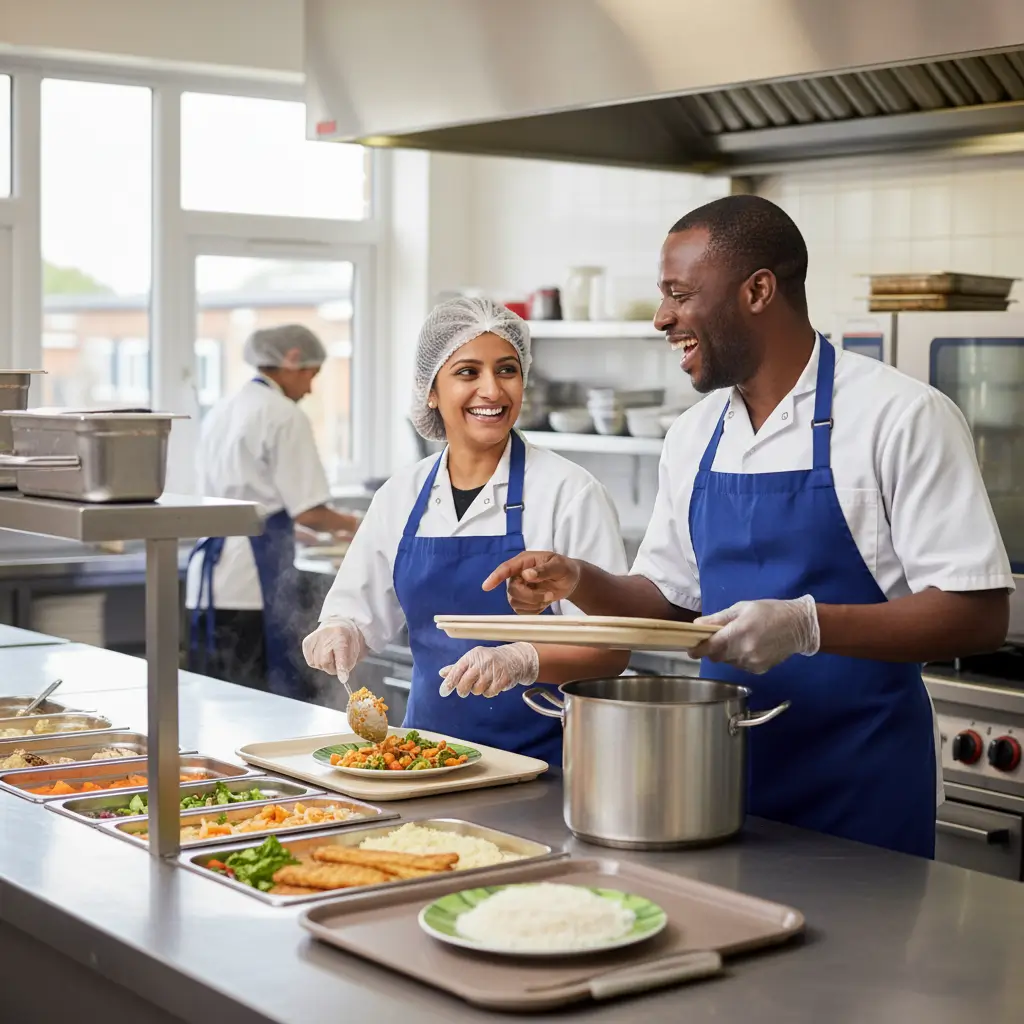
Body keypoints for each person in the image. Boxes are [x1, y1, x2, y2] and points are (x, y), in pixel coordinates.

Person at [484, 195, 1014, 858]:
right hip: (718, 780)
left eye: (680, 294)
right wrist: (579, 579)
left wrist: (806, 625)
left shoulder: (899, 417)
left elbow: (978, 614)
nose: (661, 318)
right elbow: (670, 602)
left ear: (758, 290)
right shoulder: (695, 435)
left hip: (862, 788)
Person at [302, 297, 628, 765]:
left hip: (546, 765)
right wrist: (339, 631)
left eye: (507, 370)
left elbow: (610, 648)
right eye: (468, 372)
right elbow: (356, 612)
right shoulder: (401, 496)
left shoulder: (569, 492)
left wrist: (521, 659)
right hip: (425, 758)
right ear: (430, 389)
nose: (492, 391)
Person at [187, 324, 360, 697]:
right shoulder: (283, 414)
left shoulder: (223, 410)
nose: (310, 388)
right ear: (292, 360)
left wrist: (301, 532)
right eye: (311, 375)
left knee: (219, 698)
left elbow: (248, 501)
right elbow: (310, 510)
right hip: (251, 582)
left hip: (208, 580)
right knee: (259, 700)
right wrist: (361, 525)